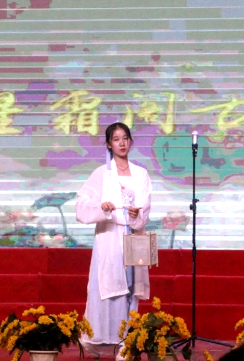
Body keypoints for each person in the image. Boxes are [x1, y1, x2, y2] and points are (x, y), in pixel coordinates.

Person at [76, 122, 153, 360]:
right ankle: (94, 338)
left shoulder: (141, 174)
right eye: (116, 139)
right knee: (107, 288)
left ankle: (126, 344)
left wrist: (137, 214)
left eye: (125, 138)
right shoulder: (102, 174)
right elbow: (81, 205)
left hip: (133, 237)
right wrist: (103, 207)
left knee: (131, 288)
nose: (121, 143)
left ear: (130, 141)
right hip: (109, 237)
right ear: (109, 144)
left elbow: (145, 205)